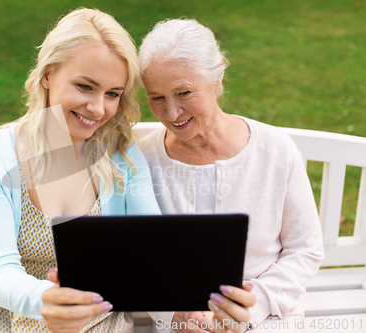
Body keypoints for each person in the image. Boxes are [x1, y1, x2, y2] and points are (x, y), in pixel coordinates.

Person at [0, 8, 254, 333]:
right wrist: (49, 299)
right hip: (19, 321)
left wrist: (197, 308)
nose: (98, 108)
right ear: (47, 74)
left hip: (105, 321)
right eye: (85, 87)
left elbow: (156, 250)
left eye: (113, 94)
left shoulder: (120, 153)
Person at [138, 19, 324, 333]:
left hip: (269, 314)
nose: (171, 113)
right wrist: (174, 316)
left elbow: (304, 249)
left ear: (217, 79)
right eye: (157, 97)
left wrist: (252, 308)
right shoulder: (142, 161)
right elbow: (136, 259)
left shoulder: (275, 150)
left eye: (184, 92)